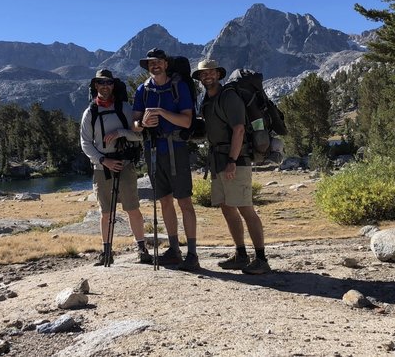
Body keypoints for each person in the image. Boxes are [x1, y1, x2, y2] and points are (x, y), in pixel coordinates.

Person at [192, 59, 271, 275]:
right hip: (218, 160)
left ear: (218, 74)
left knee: (245, 208)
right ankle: (241, 254)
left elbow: (239, 130)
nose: (207, 76)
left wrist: (232, 161)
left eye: (211, 72)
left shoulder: (229, 97)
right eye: (203, 74)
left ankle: (262, 258)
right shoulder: (206, 101)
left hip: (235, 160)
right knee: (227, 207)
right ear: (199, 78)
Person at [132, 48, 200, 271]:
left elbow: (187, 121)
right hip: (152, 150)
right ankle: (174, 250)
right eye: (151, 62)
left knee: (184, 201)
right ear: (148, 66)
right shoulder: (143, 90)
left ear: (166, 63)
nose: (155, 65)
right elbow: (135, 124)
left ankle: (192, 253)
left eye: (159, 61)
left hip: (176, 149)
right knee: (164, 201)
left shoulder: (178, 87)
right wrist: (142, 124)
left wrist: (160, 112)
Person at [80, 69, 153, 266]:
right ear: (95, 86)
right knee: (106, 212)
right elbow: (85, 143)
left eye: (109, 83)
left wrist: (121, 132)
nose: (105, 86)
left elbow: (140, 135)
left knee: (133, 208)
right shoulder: (90, 112)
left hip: (125, 164)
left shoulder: (125, 108)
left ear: (113, 85)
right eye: (101, 82)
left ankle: (142, 249)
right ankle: (106, 252)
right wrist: (104, 160)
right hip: (102, 167)